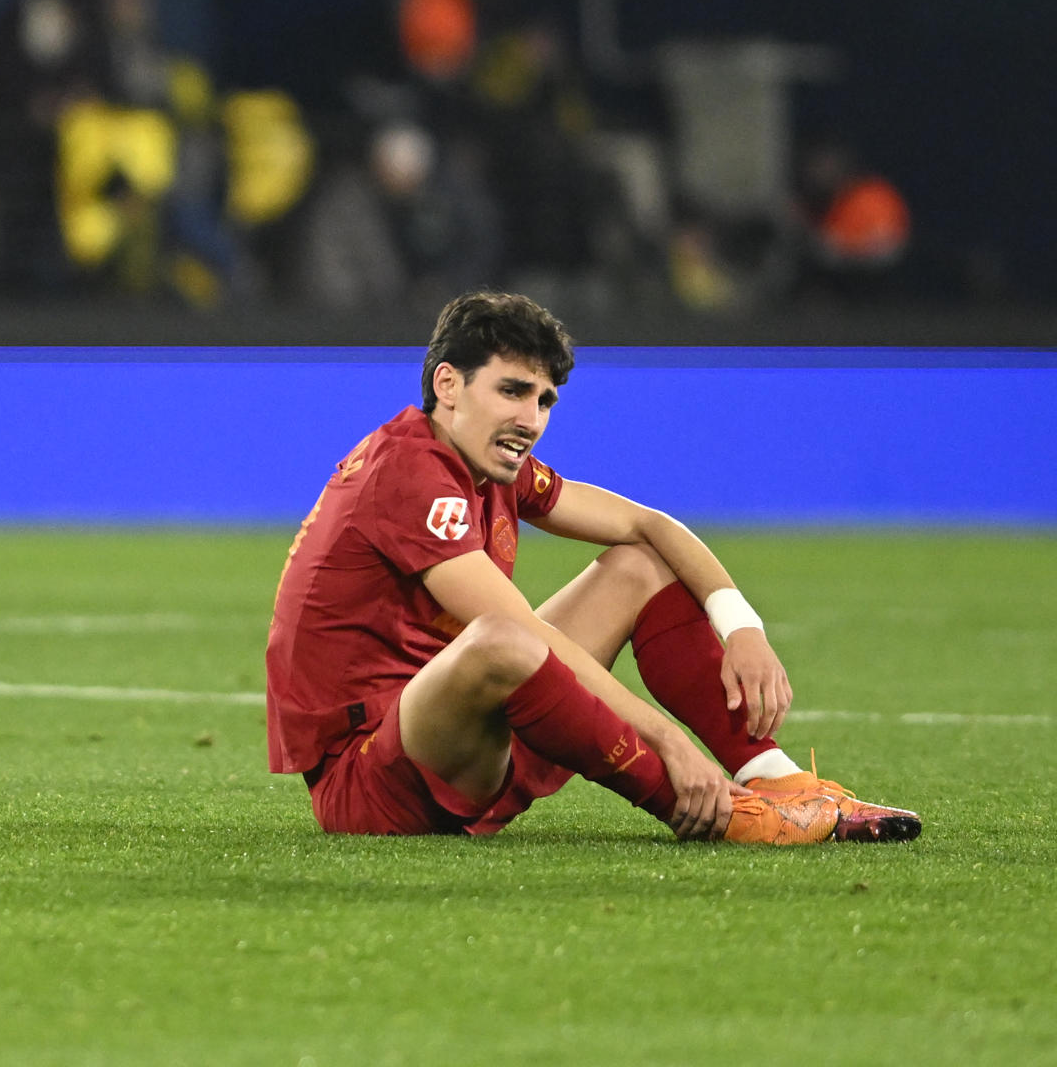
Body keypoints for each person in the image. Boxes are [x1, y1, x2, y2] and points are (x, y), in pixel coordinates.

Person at [266, 290, 921, 844]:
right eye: (513, 391)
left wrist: (741, 627)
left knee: (638, 566)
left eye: (545, 401)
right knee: (502, 636)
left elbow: (650, 525)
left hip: (468, 737)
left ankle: (771, 777)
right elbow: (513, 630)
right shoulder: (409, 471)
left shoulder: (484, 459)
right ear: (448, 385)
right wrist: (667, 737)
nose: (531, 420)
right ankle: (724, 815)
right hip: (373, 779)